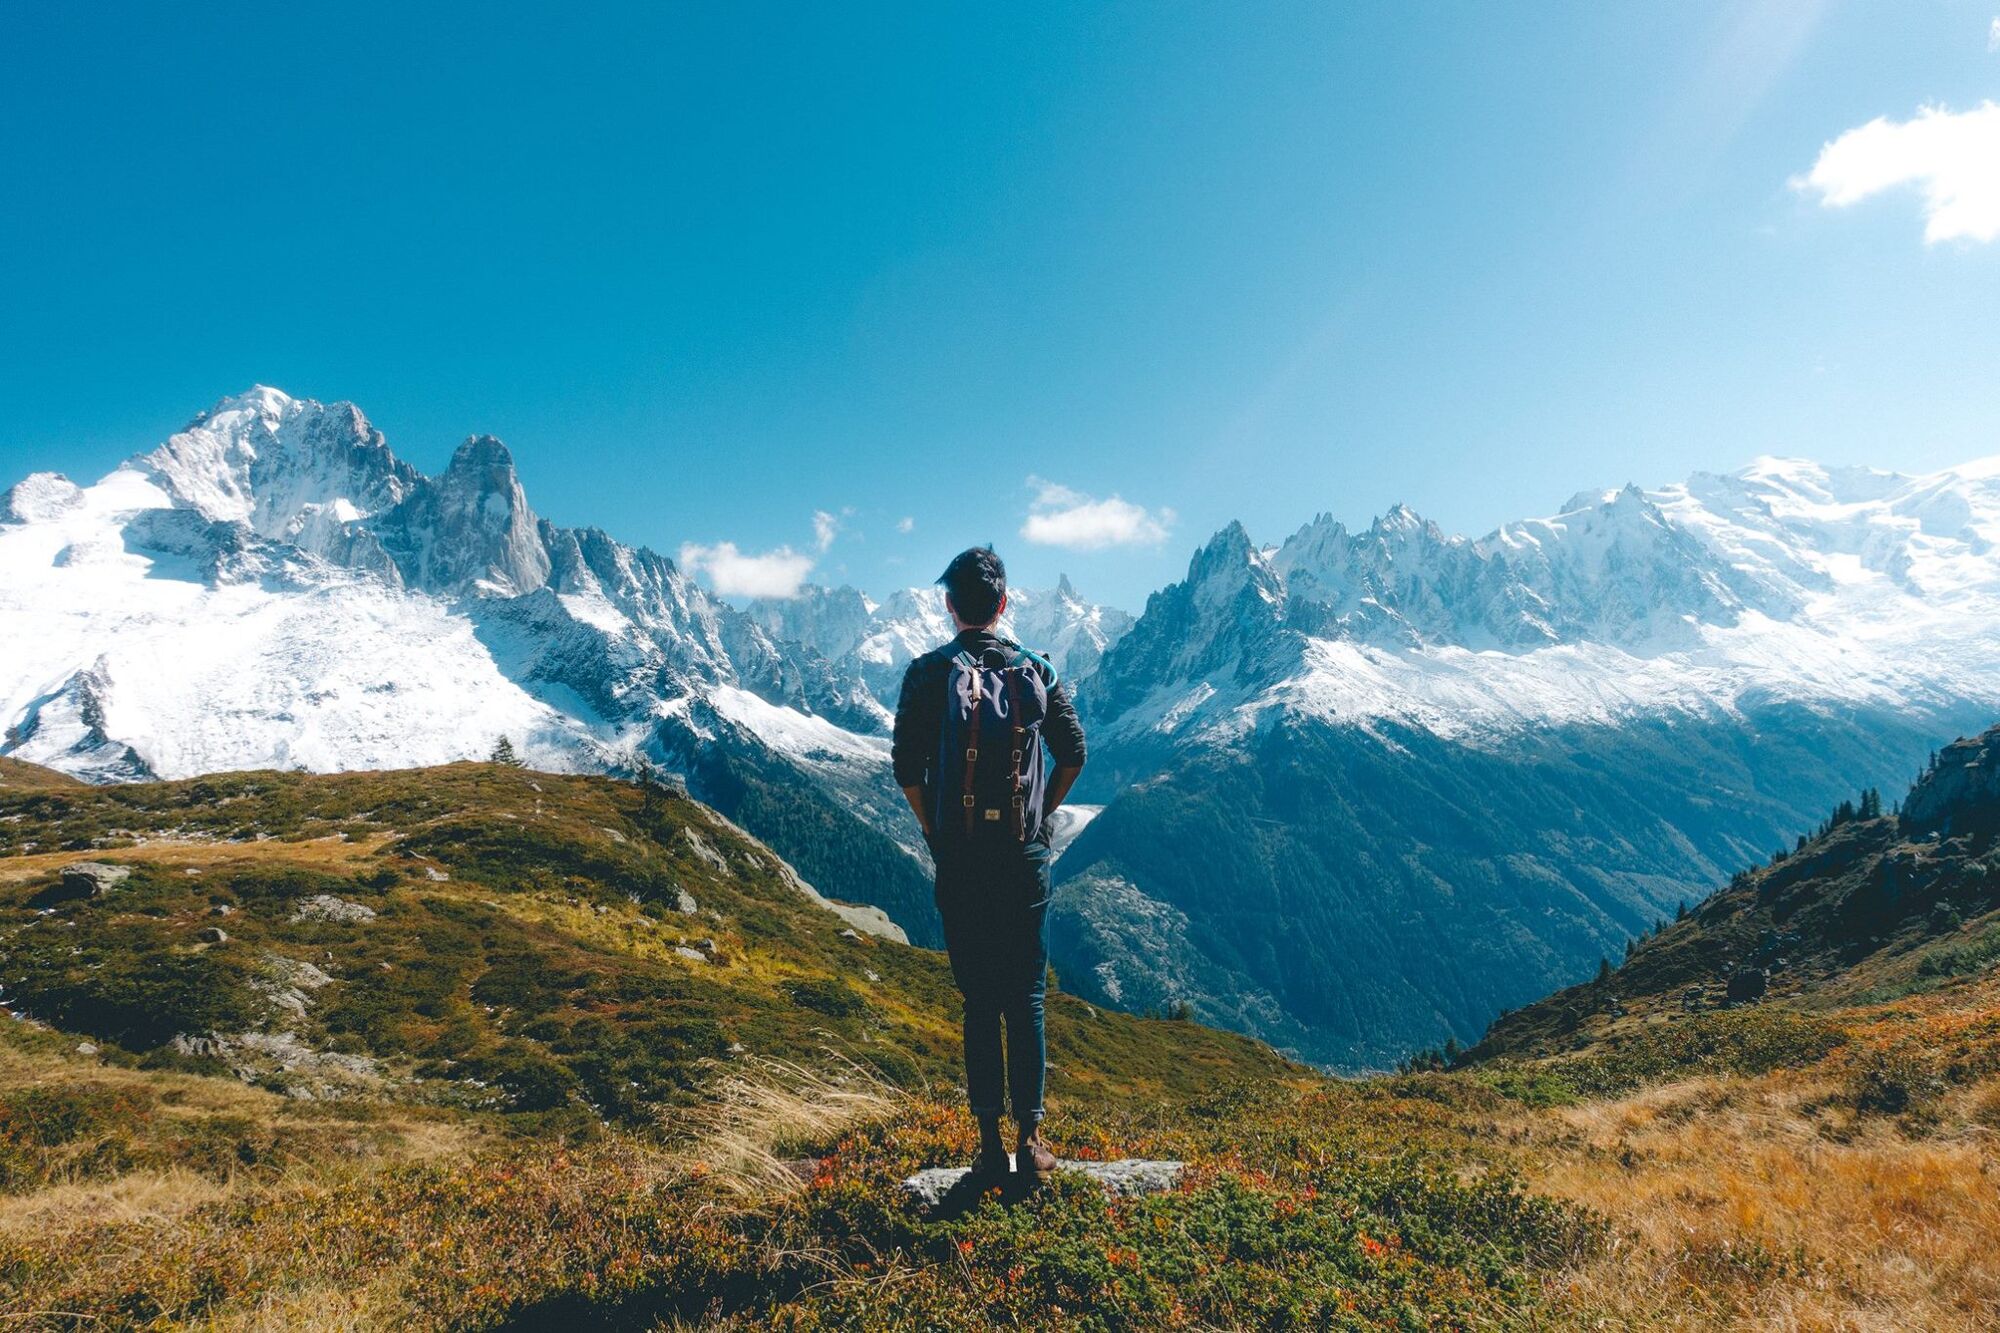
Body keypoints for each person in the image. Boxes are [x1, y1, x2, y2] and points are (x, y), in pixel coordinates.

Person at [892, 547, 1086, 1178]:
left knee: (979, 1000)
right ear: (1003, 605)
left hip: (962, 856)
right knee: (1026, 995)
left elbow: (905, 769)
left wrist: (936, 831)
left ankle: (986, 1148)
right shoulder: (1038, 670)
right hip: (1024, 856)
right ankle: (1032, 1141)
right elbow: (1074, 754)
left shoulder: (925, 673)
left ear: (950, 607)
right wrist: (1041, 816)